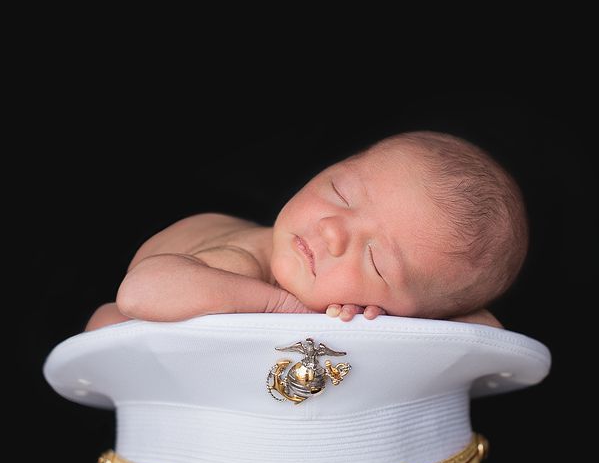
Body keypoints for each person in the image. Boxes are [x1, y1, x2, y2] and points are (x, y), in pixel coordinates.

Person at [85, 131, 528, 332]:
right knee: (107, 327)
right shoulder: (238, 266)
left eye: (374, 259)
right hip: (171, 278)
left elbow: (487, 330)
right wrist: (280, 305)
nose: (333, 230)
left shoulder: (405, 312)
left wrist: (425, 325)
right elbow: (139, 293)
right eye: (340, 192)